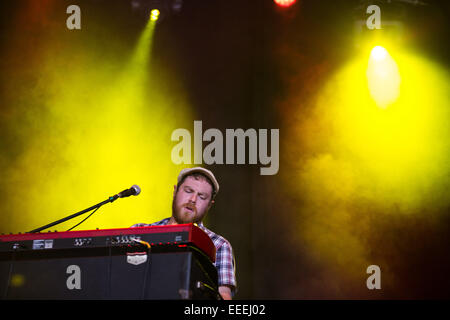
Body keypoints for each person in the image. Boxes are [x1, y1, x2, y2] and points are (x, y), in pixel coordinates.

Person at [132, 167, 237, 300]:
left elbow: (224, 295)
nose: (193, 199)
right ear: (175, 191)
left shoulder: (219, 245)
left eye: (201, 196)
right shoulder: (139, 232)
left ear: (209, 205)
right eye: (188, 191)